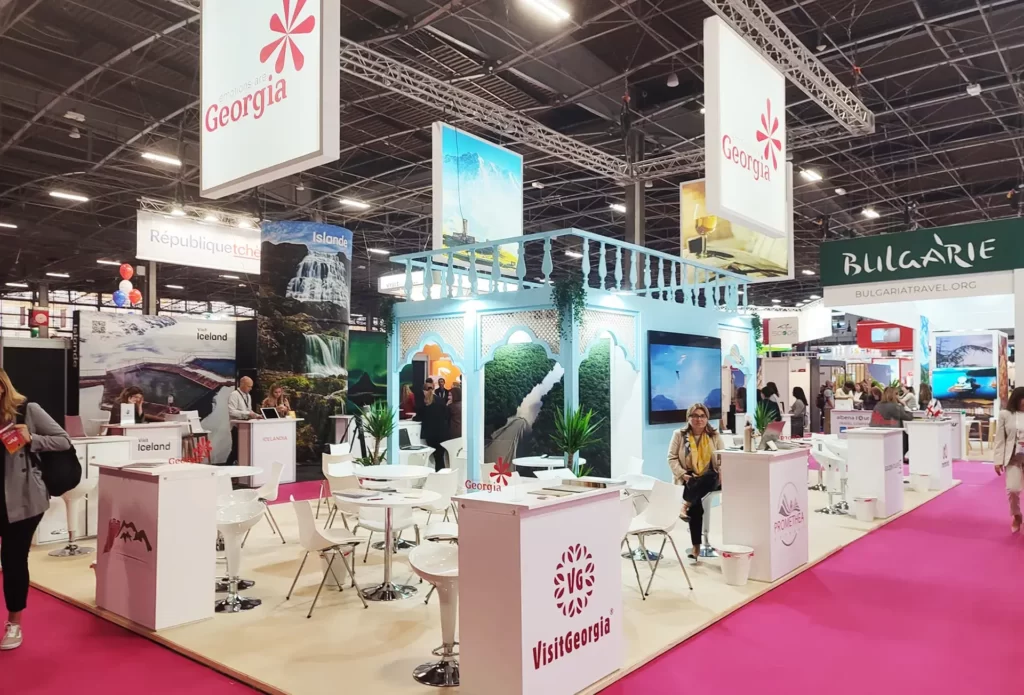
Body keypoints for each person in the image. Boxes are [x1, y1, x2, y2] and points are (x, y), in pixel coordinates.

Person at [0, 368, 73, 650]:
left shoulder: (27, 410)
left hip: (23, 499)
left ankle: (14, 623)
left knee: (13, 559)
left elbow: (63, 440)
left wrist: (33, 438)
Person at [667, 403, 724, 563]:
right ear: (689, 418)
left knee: (707, 478)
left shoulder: (714, 435)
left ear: (707, 418)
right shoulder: (679, 435)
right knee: (696, 505)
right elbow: (671, 458)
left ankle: (685, 504)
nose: (699, 419)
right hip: (689, 477)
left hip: (711, 477)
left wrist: (721, 472)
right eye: (695, 416)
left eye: (702, 416)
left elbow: (722, 457)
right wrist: (682, 474)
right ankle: (696, 546)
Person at [991, 386, 1024, 533]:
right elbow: (1000, 439)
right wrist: (998, 460)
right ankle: (1016, 515)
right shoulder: (1005, 414)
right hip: (1013, 459)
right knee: (1013, 489)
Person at [226, 377, 262, 466]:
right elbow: (232, 412)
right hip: (237, 427)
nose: (250, 388)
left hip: (246, 426)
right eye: (249, 386)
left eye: (251, 386)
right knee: (236, 449)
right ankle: (227, 467)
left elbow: (249, 410)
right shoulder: (234, 395)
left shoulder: (248, 396)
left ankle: (239, 467)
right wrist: (248, 413)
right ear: (242, 384)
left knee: (243, 449)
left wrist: (257, 415)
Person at [418, 380, 449, 471]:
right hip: (442, 433)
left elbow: (419, 417)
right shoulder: (440, 400)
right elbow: (446, 415)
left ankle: (438, 474)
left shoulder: (424, 403)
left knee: (436, 457)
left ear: (424, 391)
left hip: (430, 434)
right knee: (440, 457)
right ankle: (441, 474)